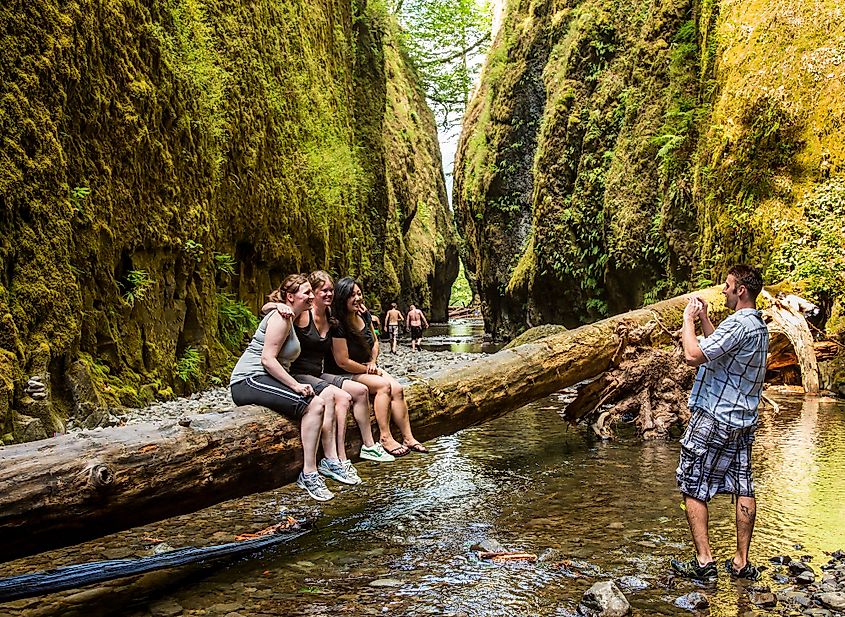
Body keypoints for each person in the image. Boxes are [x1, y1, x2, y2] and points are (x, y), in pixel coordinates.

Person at [671, 265, 769, 582]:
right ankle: (741, 562)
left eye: (727, 285)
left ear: (741, 290)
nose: (723, 290)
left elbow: (693, 354)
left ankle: (704, 563)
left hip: (715, 416)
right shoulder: (757, 325)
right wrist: (704, 320)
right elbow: (721, 351)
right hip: (743, 420)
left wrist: (688, 319)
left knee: (691, 482)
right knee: (743, 486)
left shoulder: (739, 324)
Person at [267, 272, 396, 471]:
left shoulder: (330, 314)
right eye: (323, 290)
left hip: (320, 372)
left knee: (360, 391)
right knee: (342, 397)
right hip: (298, 373)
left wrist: (364, 314)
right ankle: (338, 458)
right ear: (312, 293)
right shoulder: (302, 313)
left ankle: (369, 446)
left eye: (331, 290)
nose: (328, 294)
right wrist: (278, 305)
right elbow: (266, 308)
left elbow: (351, 321)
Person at [229, 275, 334, 501]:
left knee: (315, 401)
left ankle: (315, 469)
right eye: (306, 293)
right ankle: (309, 473)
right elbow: (267, 359)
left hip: (261, 379)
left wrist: (276, 304)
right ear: (290, 296)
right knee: (314, 404)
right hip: (248, 379)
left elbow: (268, 305)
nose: (310, 296)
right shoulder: (282, 317)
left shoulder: (290, 315)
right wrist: (295, 385)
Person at [328, 277, 429, 456]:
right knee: (384, 386)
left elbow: (375, 342)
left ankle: (408, 437)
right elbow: (342, 361)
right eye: (352, 295)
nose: (357, 298)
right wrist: (368, 369)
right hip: (344, 372)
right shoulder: (338, 324)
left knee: (397, 388)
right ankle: (385, 437)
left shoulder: (364, 315)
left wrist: (373, 362)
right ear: (342, 298)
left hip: (368, 366)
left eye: (359, 293)